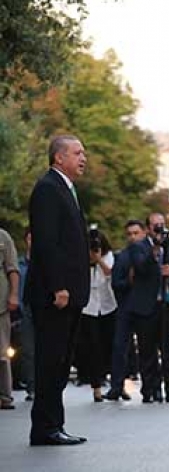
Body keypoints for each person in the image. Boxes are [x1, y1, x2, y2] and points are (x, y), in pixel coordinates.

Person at [26, 134, 90, 446]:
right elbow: (47, 244)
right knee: (50, 361)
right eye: (77, 153)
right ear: (58, 157)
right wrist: (59, 287)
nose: (83, 158)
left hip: (70, 294)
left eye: (84, 153)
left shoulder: (66, 188)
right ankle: (45, 428)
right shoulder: (48, 189)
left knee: (61, 362)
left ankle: (54, 425)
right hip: (56, 296)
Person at [105, 219, 147, 401]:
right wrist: (129, 282)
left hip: (146, 308)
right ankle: (116, 387)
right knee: (119, 348)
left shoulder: (149, 254)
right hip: (126, 308)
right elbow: (115, 283)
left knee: (147, 349)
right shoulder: (122, 256)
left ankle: (150, 389)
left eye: (136, 233)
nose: (132, 237)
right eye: (129, 234)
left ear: (143, 233)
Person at [145, 213, 169, 403]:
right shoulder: (143, 248)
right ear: (148, 229)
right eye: (155, 226)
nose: (159, 229)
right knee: (150, 350)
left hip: (168, 305)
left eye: (162, 225)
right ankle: (152, 389)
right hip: (149, 305)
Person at [78, 230, 117, 402]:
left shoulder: (108, 257)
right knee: (92, 347)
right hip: (88, 308)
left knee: (109, 344)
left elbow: (110, 274)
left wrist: (98, 259)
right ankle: (96, 386)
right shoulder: (80, 260)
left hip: (108, 306)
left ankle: (114, 380)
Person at [0, 226, 21, 410]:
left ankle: (5, 396)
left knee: (2, 352)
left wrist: (14, 295)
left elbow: (12, 269)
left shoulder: (3, 236)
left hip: (0, 303)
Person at [14, 228, 35, 401]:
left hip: (44, 310)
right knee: (28, 350)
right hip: (24, 310)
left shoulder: (47, 264)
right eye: (29, 238)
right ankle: (32, 386)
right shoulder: (19, 265)